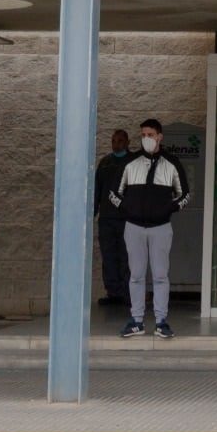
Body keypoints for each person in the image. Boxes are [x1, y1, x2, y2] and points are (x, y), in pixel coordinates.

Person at [110, 119, 189, 339]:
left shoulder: (172, 163)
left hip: (161, 227)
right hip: (133, 227)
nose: (146, 138)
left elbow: (185, 194)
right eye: (143, 134)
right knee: (136, 275)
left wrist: (168, 209)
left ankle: (161, 322)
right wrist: (128, 209)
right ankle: (136, 321)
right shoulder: (130, 162)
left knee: (161, 276)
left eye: (150, 135)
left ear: (160, 137)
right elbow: (113, 193)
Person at [93, 129, 136, 308]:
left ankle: (127, 293)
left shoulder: (134, 162)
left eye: (120, 141)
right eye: (113, 141)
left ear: (127, 142)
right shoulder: (105, 163)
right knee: (109, 256)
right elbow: (97, 190)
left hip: (127, 218)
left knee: (127, 256)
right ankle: (113, 293)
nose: (116, 144)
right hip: (107, 219)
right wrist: (93, 212)